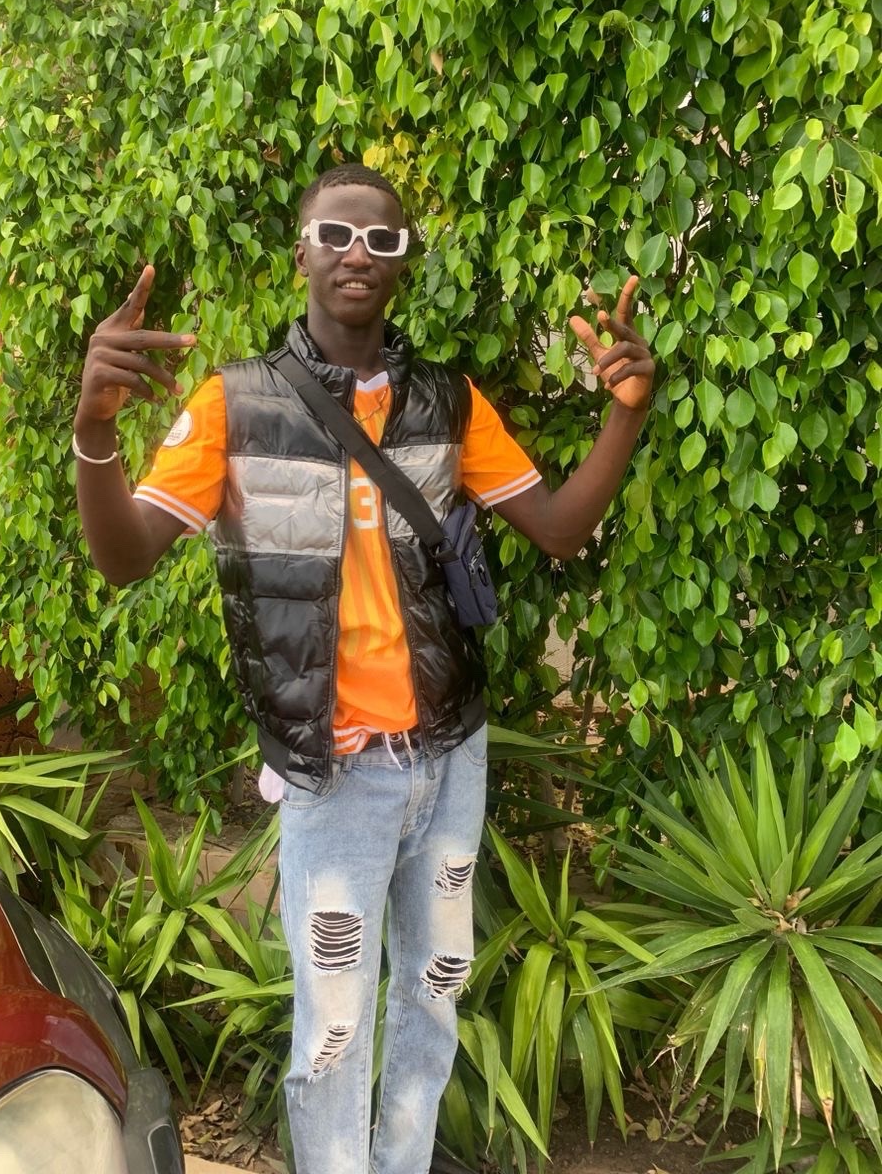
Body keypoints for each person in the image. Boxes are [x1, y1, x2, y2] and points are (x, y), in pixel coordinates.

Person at [73, 163, 654, 1174]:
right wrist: (94, 431)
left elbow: (559, 528)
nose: (358, 254)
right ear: (300, 250)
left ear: (403, 262)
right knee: (334, 1036)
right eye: (336, 234)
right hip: (336, 774)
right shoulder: (235, 405)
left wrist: (628, 413)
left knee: (433, 997)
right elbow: (125, 557)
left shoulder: (448, 402)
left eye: (382, 240)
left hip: (450, 757)